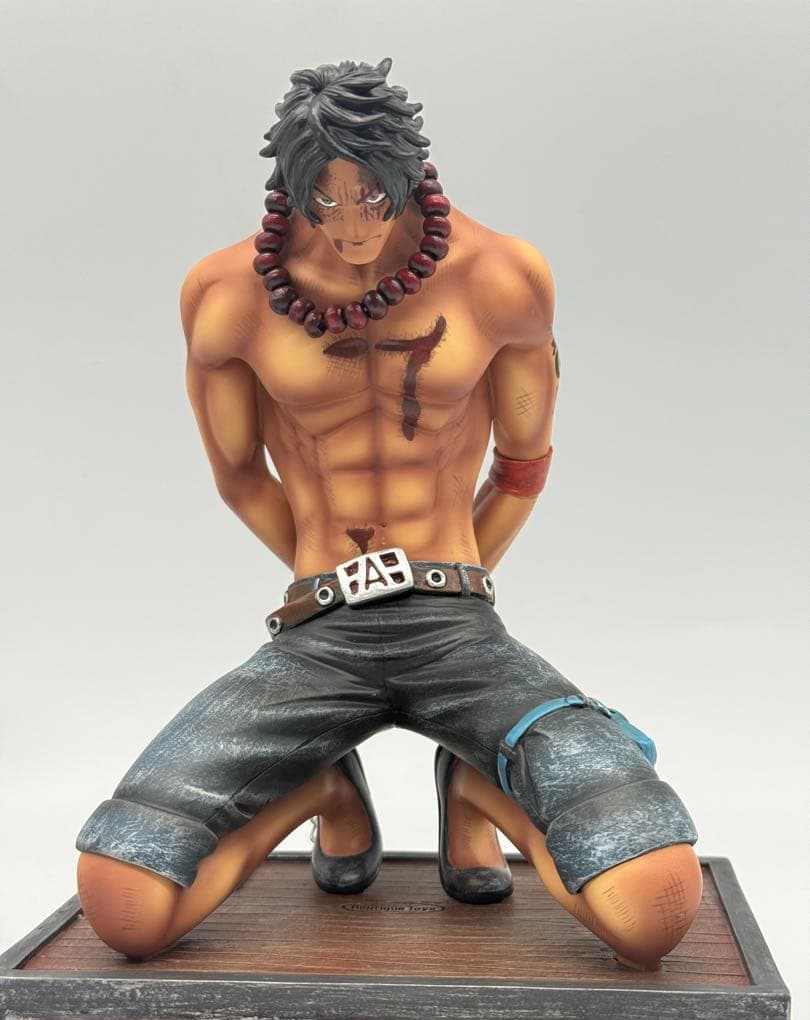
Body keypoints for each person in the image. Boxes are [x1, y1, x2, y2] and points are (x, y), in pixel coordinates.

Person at [75, 57, 701, 969]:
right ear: (290, 189)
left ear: (408, 173)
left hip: (458, 626)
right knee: (126, 905)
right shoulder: (227, 294)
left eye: (372, 196)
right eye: (325, 203)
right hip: (319, 632)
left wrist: (446, 582)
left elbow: (521, 467)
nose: (353, 225)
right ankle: (320, 787)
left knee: (654, 911)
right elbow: (241, 477)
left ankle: (479, 786)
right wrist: (335, 582)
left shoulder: (500, 276)